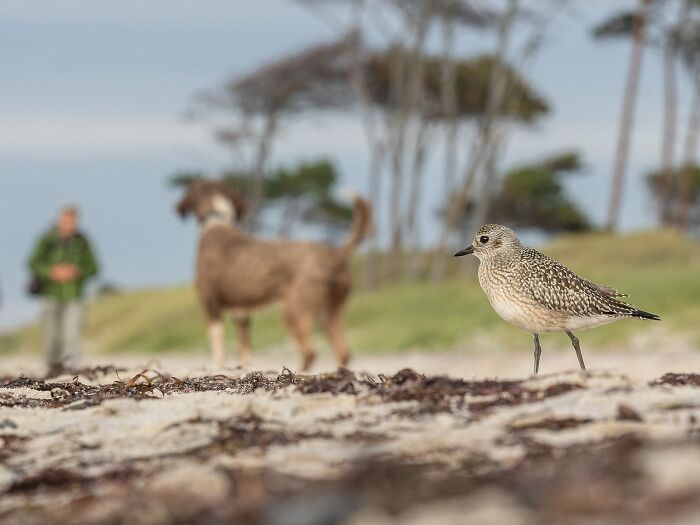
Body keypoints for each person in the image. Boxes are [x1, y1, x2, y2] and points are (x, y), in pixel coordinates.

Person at [28, 205, 99, 373]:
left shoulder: (83, 242)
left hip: (74, 294)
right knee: (51, 333)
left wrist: (77, 271)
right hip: (50, 293)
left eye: (72, 221)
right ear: (59, 220)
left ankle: (70, 366)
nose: (69, 224)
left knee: (72, 332)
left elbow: (94, 267)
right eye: (66, 220)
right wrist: (51, 272)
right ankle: (51, 365)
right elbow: (33, 263)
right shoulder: (46, 239)